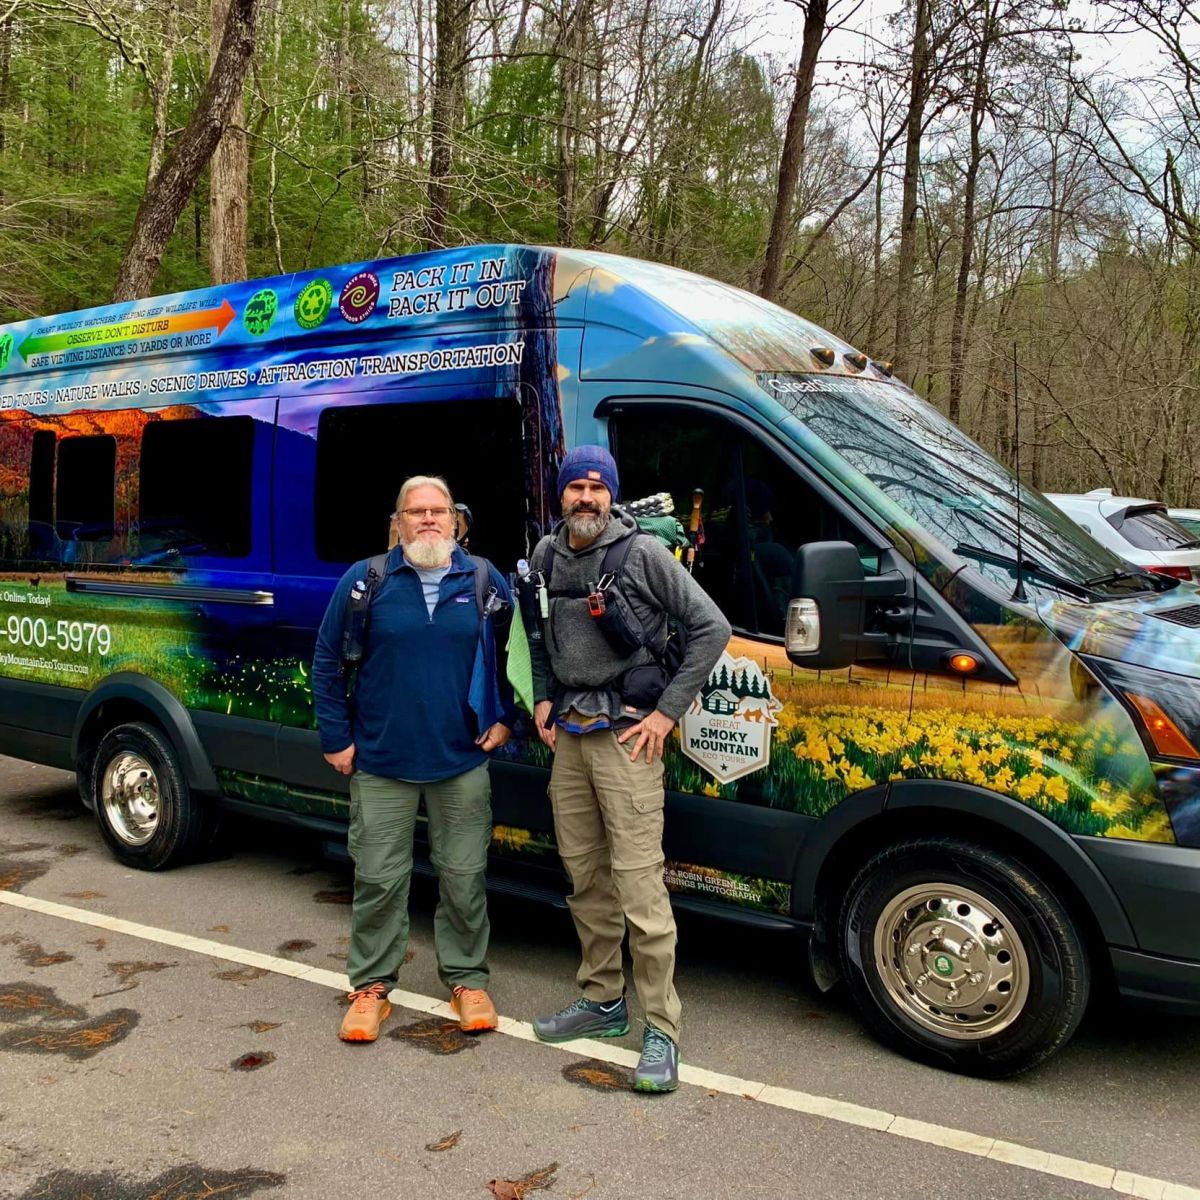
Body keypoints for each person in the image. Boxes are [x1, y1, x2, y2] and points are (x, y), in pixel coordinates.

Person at [528, 446, 730, 1092]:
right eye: (575, 487)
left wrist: (667, 715)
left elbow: (711, 627)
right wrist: (539, 697)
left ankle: (661, 1030)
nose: (585, 498)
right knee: (585, 878)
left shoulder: (641, 555)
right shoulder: (544, 555)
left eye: (596, 487)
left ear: (612, 495)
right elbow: (536, 636)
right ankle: (603, 1001)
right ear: (560, 496)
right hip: (571, 739)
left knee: (640, 888)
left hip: (629, 741)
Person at [311, 475, 516, 1043]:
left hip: (461, 761)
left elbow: (517, 654)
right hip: (380, 761)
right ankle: (371, 988)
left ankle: (467, 980)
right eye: (416, 511)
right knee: (378, 879)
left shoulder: (481, 579)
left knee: (464, 877)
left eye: (438, 510)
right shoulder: (366, 580)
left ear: (456, 520)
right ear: (397, 523)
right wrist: (336, 738)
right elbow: (327, 658)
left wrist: (505, 721)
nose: (428, 520)